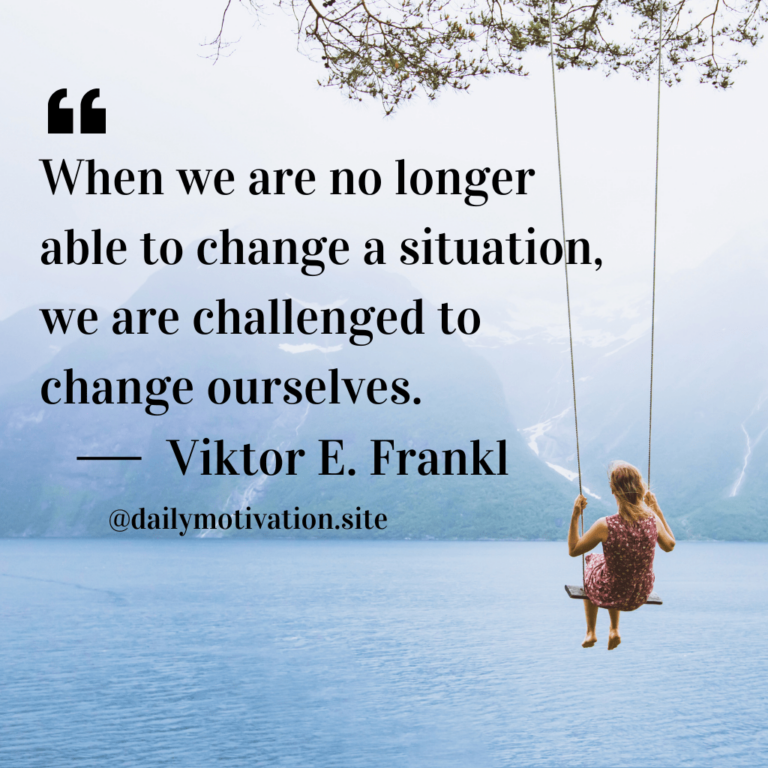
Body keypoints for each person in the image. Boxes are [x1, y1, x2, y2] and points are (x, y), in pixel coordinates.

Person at [568, 460, 676, 650]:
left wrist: (576, 514)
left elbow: (574, 550)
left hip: (612, 591)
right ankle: (614, 629)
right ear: (641, 489)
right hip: (640, 594)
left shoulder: (605, 525)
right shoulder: (652, 520)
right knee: (614, 570)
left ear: (613, 491)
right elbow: (670, 545)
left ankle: (591, 632)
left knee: (592, 561)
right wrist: (657, 510)